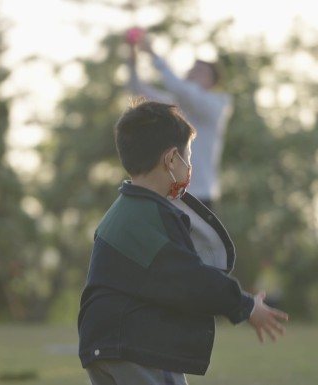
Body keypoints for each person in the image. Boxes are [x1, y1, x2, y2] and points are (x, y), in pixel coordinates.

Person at [77, 98, 288, 385]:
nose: (189, 168)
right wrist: (244, 306)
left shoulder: (119, 214)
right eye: (187, 159)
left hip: (100, 344)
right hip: (136, 345)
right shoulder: (150, 215)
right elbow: (188, 278)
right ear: (171, 159)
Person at [127, 31, 232, 211]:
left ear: (212, 82)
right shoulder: (177, 105)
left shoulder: (216, 105)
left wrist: (152, 54)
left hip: (200, 198)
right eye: (192, 68)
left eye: (199, 70)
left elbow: (182, 89)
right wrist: (132, 56)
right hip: (172, 194)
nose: (192, 71)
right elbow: (138, 90)